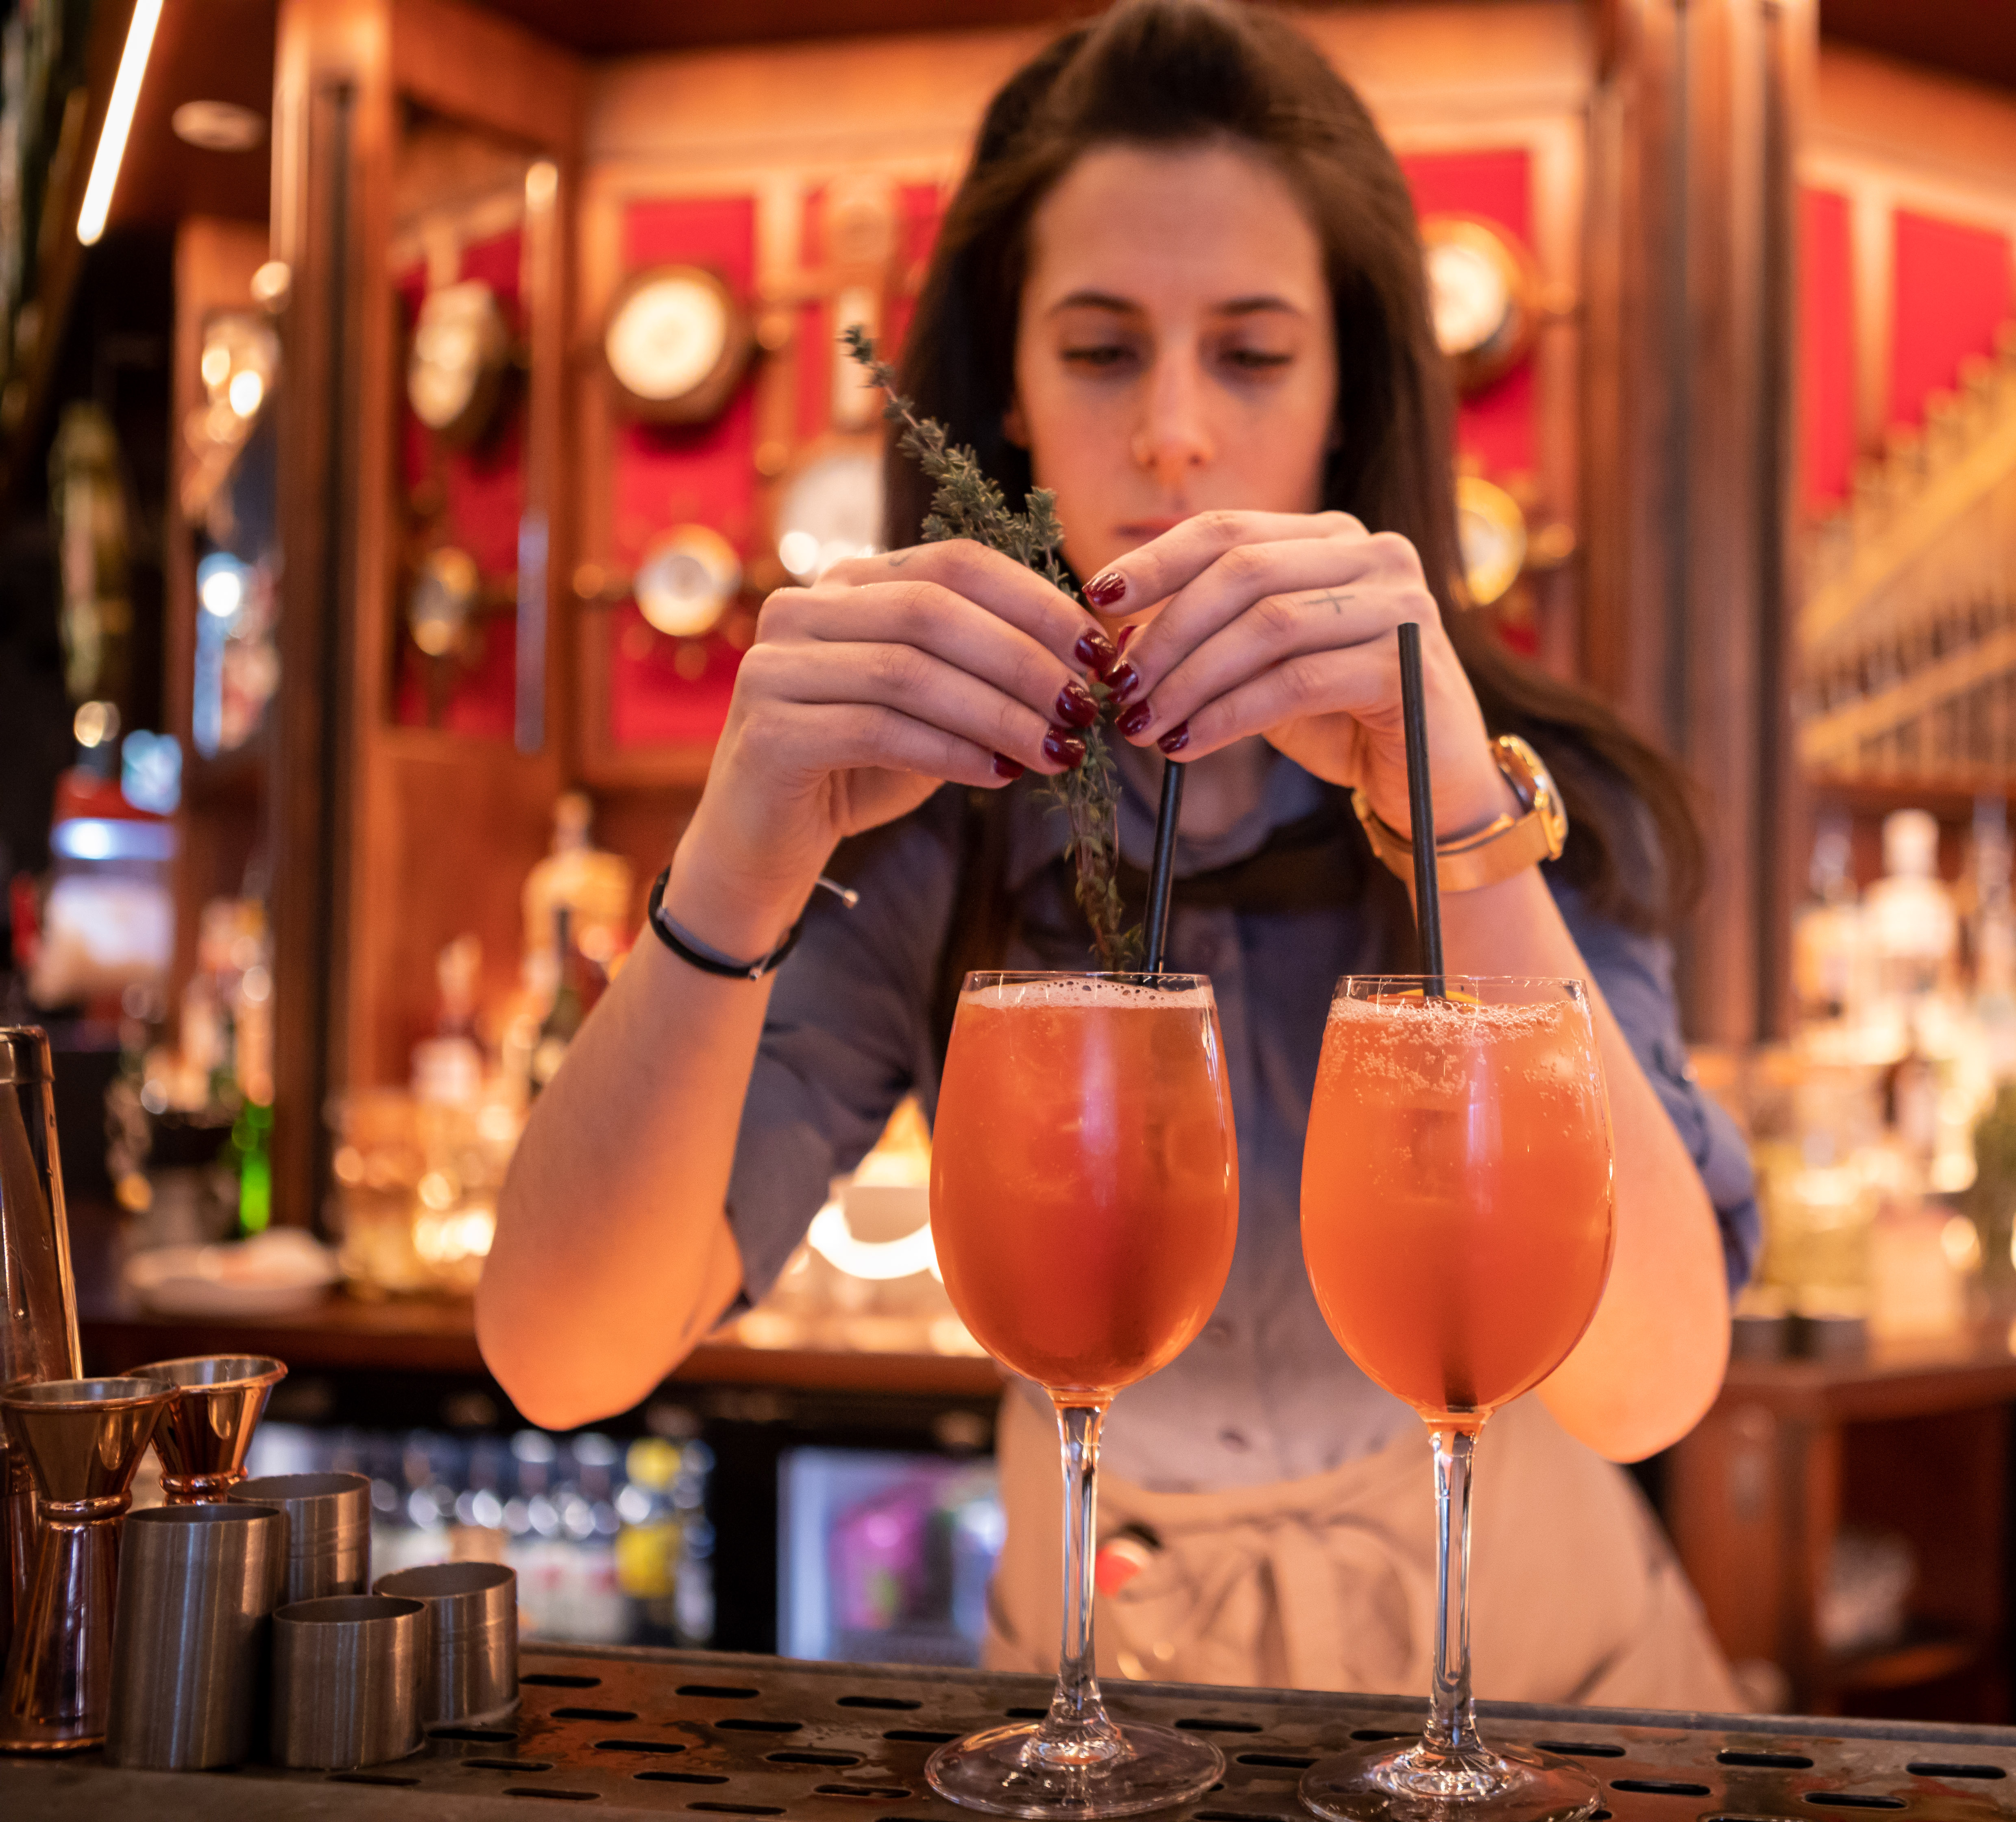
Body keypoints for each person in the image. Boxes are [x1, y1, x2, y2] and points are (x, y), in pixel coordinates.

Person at [481, 0, 1757, 1710]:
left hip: (1544, 1698)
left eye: (1251, 354)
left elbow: (1649, 1382)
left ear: (1348, 395)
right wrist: (733, 861)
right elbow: (562, 1354)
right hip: (1099, 1697)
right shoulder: (918, 822)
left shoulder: (1521, 789)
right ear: (1007, 392)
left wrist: (1462, 824)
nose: (1171, 433)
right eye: (1100, 352)